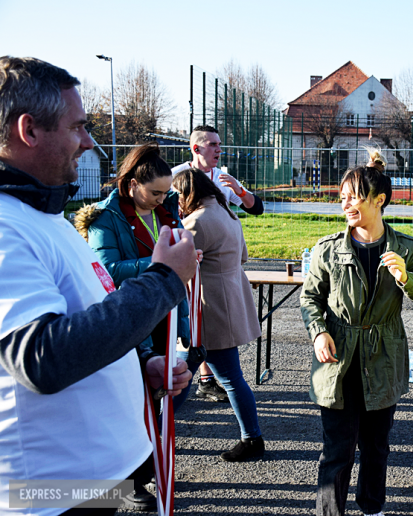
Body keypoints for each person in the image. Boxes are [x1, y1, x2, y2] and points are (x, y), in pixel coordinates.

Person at [0, 57, 194, 515]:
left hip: (90, 480)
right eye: (79, 127)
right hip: (45, 494)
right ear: (29, 130)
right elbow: (41, 357)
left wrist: (138, 363)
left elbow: (87, 314)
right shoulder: (6, 226)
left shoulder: (46, 217)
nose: (89, 142)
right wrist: (164, 278)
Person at [300, 148, 413, 516]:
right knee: (338, 450)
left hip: (383, 358)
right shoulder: (328, 249)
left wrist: (407, 279)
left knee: (377, 447)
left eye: (354, 197)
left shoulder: (404, 249)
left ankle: (372, 509)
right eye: (342, 197)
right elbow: (310, 297)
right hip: (339, 361)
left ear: (379, 200)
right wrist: (318, 332)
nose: (346, 205)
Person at [74, 142, 197, 509]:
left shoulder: (168, 211)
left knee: (168, 397)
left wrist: (186, 322)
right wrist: (160, 264)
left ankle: (149, 467)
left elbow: (178, 273)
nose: (162, 199)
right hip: (129, 321)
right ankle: (130, 481)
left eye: (167, 192)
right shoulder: (104, 219)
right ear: (131, 186)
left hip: (164, 317)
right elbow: (107, 272)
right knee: (133, 405)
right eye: (155, 192)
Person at [172, 168, 265, 462]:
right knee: (195, 375)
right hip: (225, 301)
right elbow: (243, 257)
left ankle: (155, 433)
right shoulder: (226, 213)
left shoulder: (196, 221)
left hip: (207, 309)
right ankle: (252, 438)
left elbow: (174, 265)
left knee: (190, 375)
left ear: (187, 194)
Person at [172, 125, 264, 403]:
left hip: (216, 260)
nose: (219, 149)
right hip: (186, 257)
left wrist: (240, 191)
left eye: (220, 144)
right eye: (212, 144)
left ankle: (199, 383)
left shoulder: (223, 178)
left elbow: (256, 207)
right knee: (194, 335)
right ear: (196, 148)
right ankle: (199, 382)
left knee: (207, 333)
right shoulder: (176, 176)